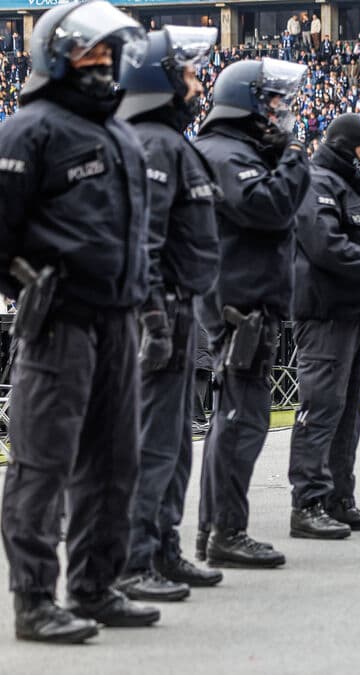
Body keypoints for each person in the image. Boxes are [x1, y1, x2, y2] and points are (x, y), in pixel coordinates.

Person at [0, 0, 159, 641]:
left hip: (118, 319)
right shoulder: (26, 130)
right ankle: (35, 600)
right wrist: (24, 283)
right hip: (58, 319)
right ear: (55, 57)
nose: (100, 64)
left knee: (115, 459)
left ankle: (95, 587)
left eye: (106, 54)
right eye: (87, 53)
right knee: (43, 461)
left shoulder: (119, 132)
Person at [115, 25, 223, 603]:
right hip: (162, 310)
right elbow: (146, 240)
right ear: (157, 81)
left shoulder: (168, 141)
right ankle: (135, 558)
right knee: (154, 442)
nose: (197, 82)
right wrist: (155, 314)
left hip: (181, 310)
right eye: (186, 74)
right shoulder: (154, 144)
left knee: (177, 440)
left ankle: (163, 547)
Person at [194, 57, 311, 567]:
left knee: (235, 419)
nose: (282, 112)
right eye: (274, 101)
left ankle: (214, 530)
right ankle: (226, 532)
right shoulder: (225, 152)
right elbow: (264, 206)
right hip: (239, 305)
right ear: (248, 103)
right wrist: (294, 160)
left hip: (246, 300)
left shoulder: (232, 149)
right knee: (242, 420)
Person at [287, 113, 360, 540]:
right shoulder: (317, 183)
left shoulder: (349, 187)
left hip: (349, 313)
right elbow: (326, 247)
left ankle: (338, 498)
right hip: (323, 312)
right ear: (344, 147)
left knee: (347, 412)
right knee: (321, 409)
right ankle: (308, 503)